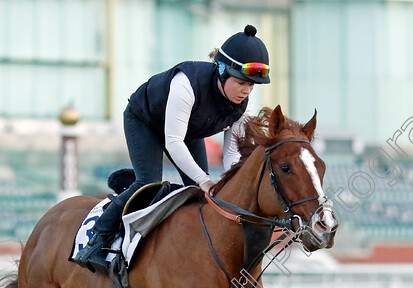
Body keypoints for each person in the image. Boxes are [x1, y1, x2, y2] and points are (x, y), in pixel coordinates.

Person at [74, 24, 271, 272]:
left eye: (252, 86)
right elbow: (173, 142)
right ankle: (97, 239)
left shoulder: (244, 107)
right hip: (145, 121)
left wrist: (229, 185)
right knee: (149, 182)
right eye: (242, 82)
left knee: (197, 193)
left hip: (188, 130)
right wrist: (205, 180)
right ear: (221, 71)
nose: (246, 90)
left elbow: (231, 155)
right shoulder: (186, 83)